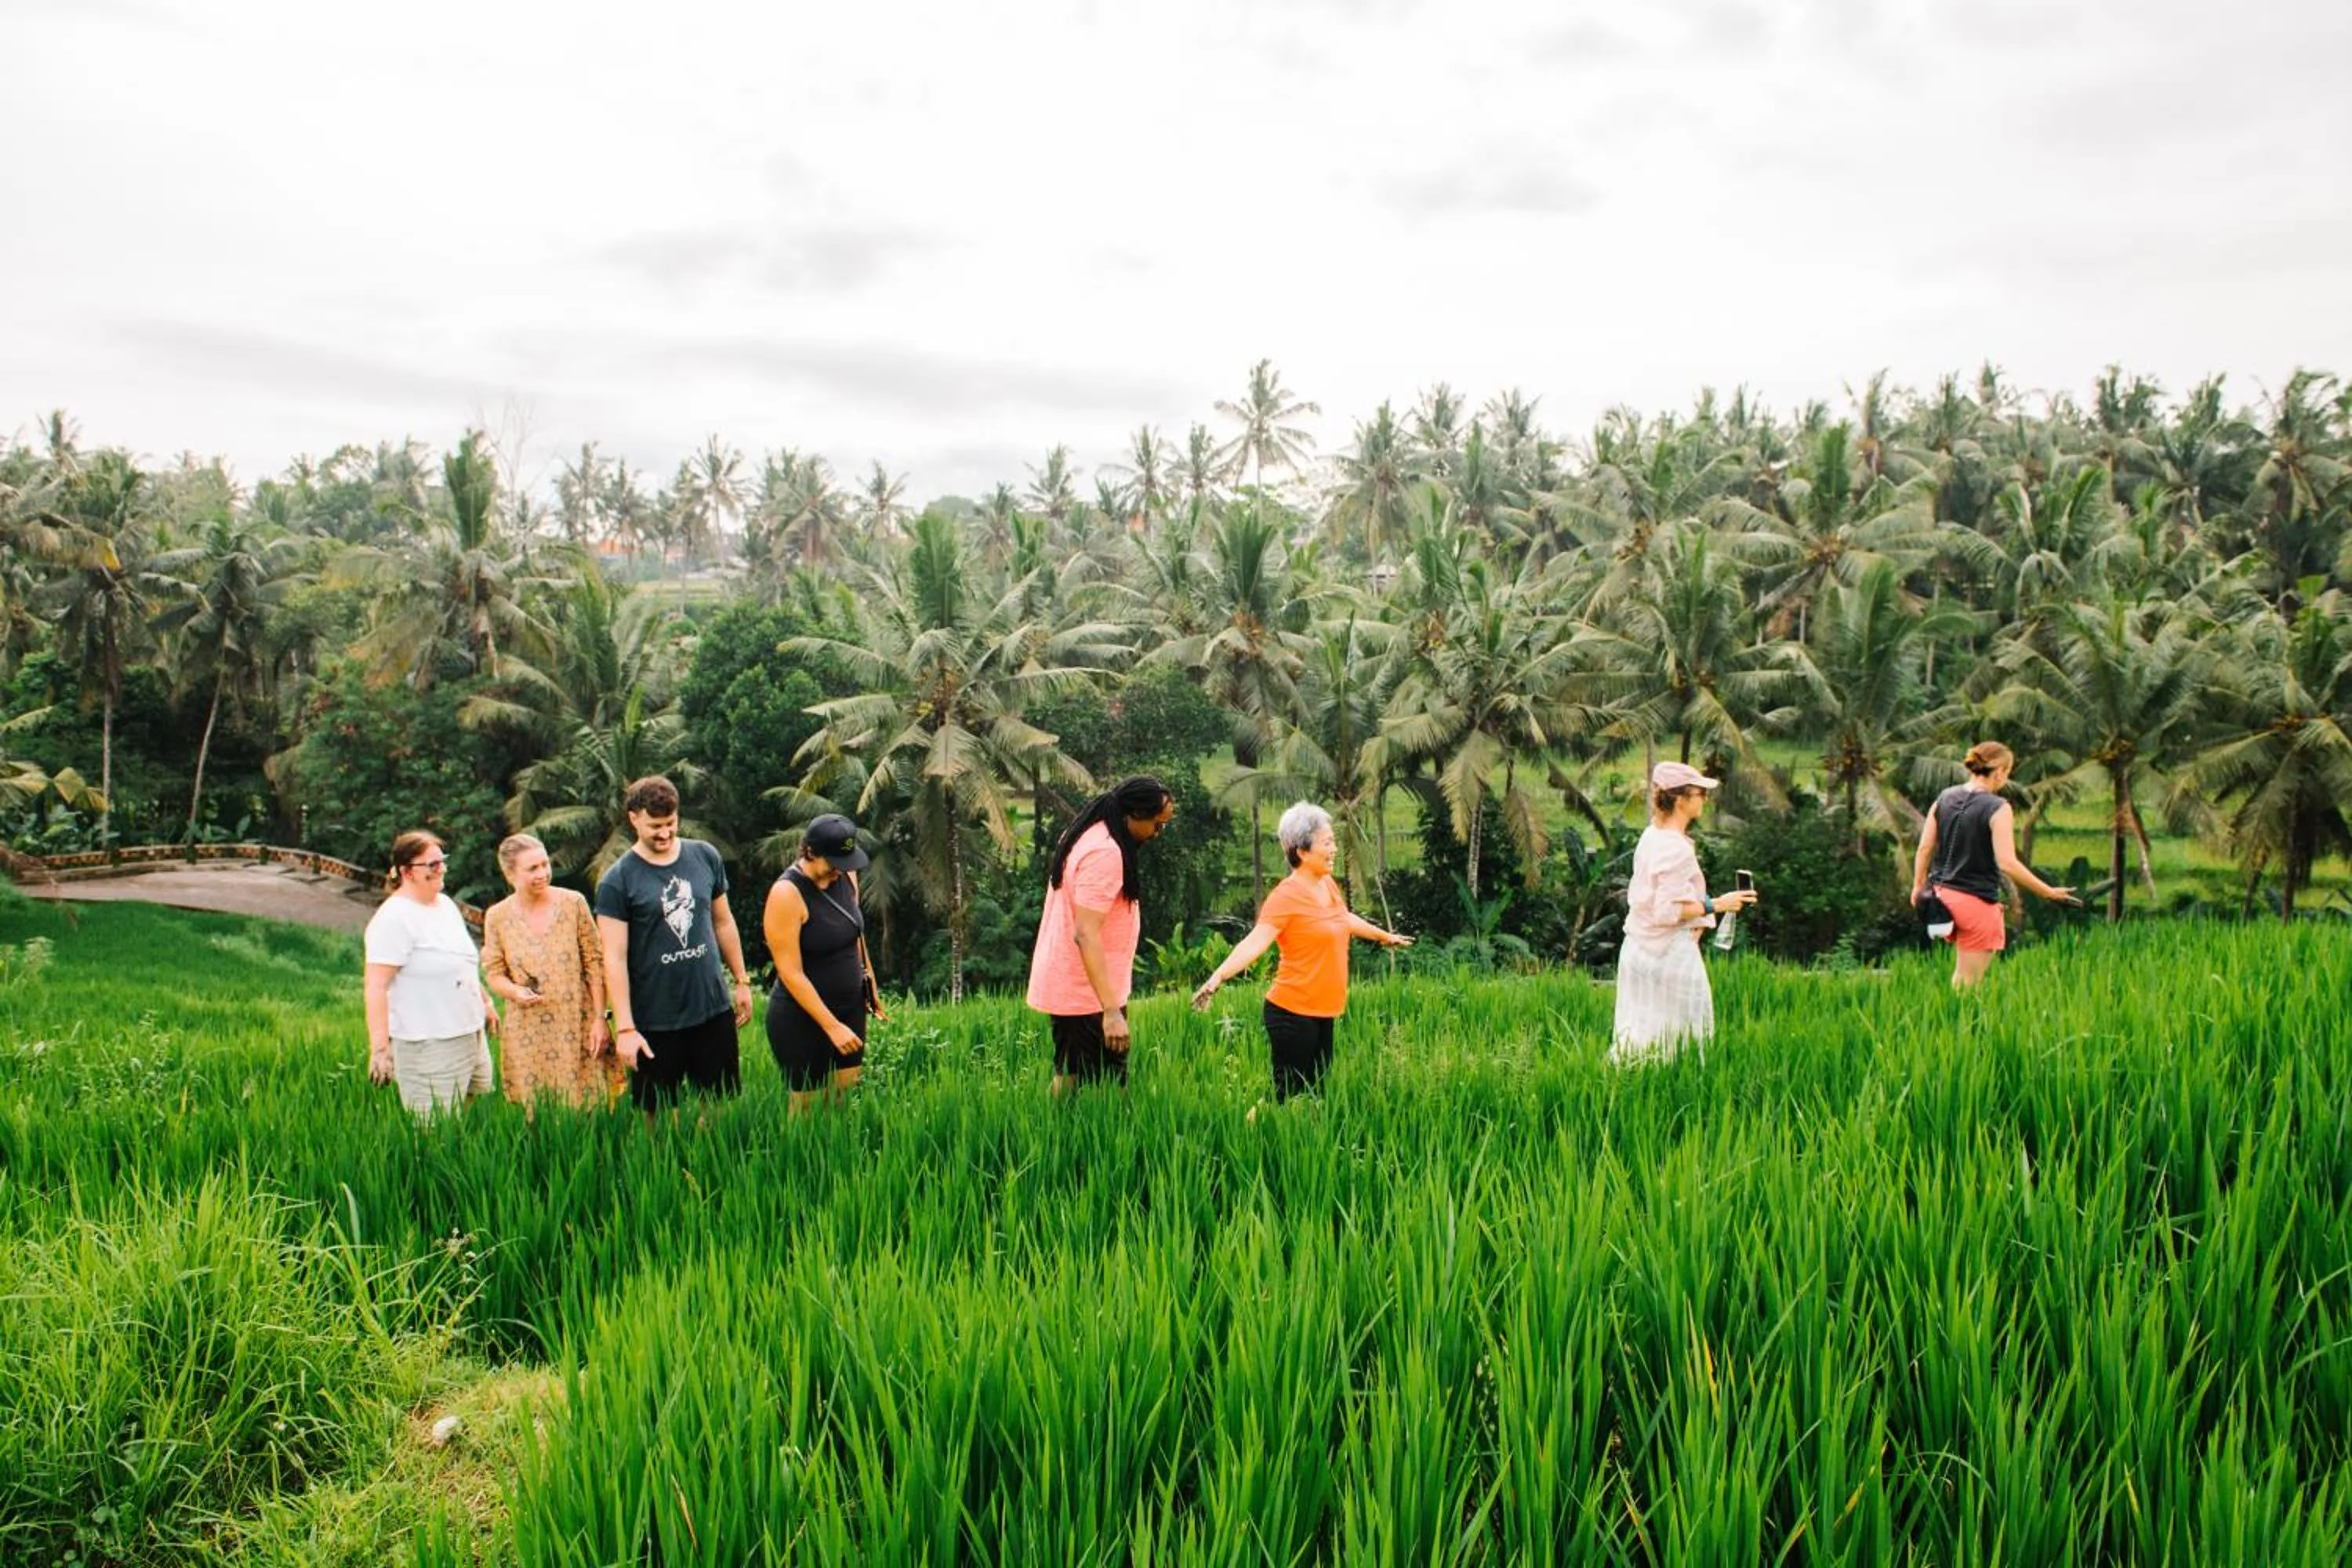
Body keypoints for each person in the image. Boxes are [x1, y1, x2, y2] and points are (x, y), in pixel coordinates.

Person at [1191, 801, 1411, 1107]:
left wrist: (1384, 936)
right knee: (1288, 1097)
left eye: (1333, 841)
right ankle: (1254, 1131)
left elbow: (1343, 919)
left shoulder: (1327, 885)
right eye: (1327, 843)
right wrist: (1218, 977)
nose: (1334, 849)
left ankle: (1292, 1134)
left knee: (1315, 1095)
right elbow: (1255, 942)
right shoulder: (1285, 897)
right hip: (1292, 1012)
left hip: (1324, 1010)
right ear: (1302, 851)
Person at [594, 776, 754, 1116]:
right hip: (655, 1018)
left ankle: (706, 1152)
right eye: (655, 826)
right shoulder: (617, 882)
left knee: (718, 1105)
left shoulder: (705, 856)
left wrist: (742, 980)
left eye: (671, 823)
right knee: (655, 1114)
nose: (665, 833)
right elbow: (614, 957)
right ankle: (664, 1155)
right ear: (633, 818)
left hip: (711, 1007)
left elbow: (723, 921)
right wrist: (625, 1028)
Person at [1027, 775, 1177, 1095]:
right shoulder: (1105, 853)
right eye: (1157, 824)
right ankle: (1078, 1130)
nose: (1158, 833)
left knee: (1074, 1074)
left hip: (1084, 985)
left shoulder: (1089, 833)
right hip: (1087, 992)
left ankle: (1058, 1127)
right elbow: (1085, 933)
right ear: (1134, 814)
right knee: (1107, 1085)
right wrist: (1110, 1011)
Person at [1610, 762, 1758, 1066]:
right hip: (1668, 954)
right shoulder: (1676, 848)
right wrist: (1717, 904)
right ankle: (1674, 1087)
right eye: (1700, 793)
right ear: (1680, 800)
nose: (1705, 799)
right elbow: (1667, 910)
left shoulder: (1652, 835)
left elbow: (1657, 898)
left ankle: (1631, 1086)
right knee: (1687, 1036)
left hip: (1638, 947)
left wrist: (1700, 913)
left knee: (1638, 1034)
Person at [1911, 740, 2081, 989]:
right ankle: (1958, 1015)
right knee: (1970, 985)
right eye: (2008, 771)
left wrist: (1917, 887)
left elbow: (1925, 848)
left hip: (1939, 899)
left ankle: (1948, 1012)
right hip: (1974, 903)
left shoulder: (1944, 797)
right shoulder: (1998, 807)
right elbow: (2007, 863)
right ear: (1999, 771)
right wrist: (2048, 892)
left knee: (1961, 980)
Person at [480, 832, 621, 1114]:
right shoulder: (497, 916)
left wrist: (599, 1018)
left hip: (576, 1023)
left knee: (587, 1107)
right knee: (537, 1111)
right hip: (527, 1029)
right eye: (532, 868)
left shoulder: (573, 903)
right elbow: (494, 973)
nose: (543, 873)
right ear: (510, 874)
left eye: (545, 864)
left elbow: (594, 962)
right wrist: (514, 991)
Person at [364, 829, 498, 1120]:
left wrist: (485, 1003)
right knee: (432, 1129)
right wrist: (380, 1049)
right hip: (428, 1042)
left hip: (468, 1031)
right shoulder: (393, 918)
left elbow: (461, 963)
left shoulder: (445, 906)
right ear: (406, 872)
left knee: (467, 1117)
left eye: (443, 861)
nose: (442, 869)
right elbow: (376, 987)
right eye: (432, 864)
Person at [764, 813, 885, 1113]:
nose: (839, 872)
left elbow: (856, 933)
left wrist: (870, 983)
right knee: (807, 1109)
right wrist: (832, 1027)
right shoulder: (787, 894)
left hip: (849, 1006)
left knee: (843, 1097)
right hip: (801, 1017)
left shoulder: (845, 874)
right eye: (833, 864)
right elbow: (790, 972)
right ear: (810, 852)